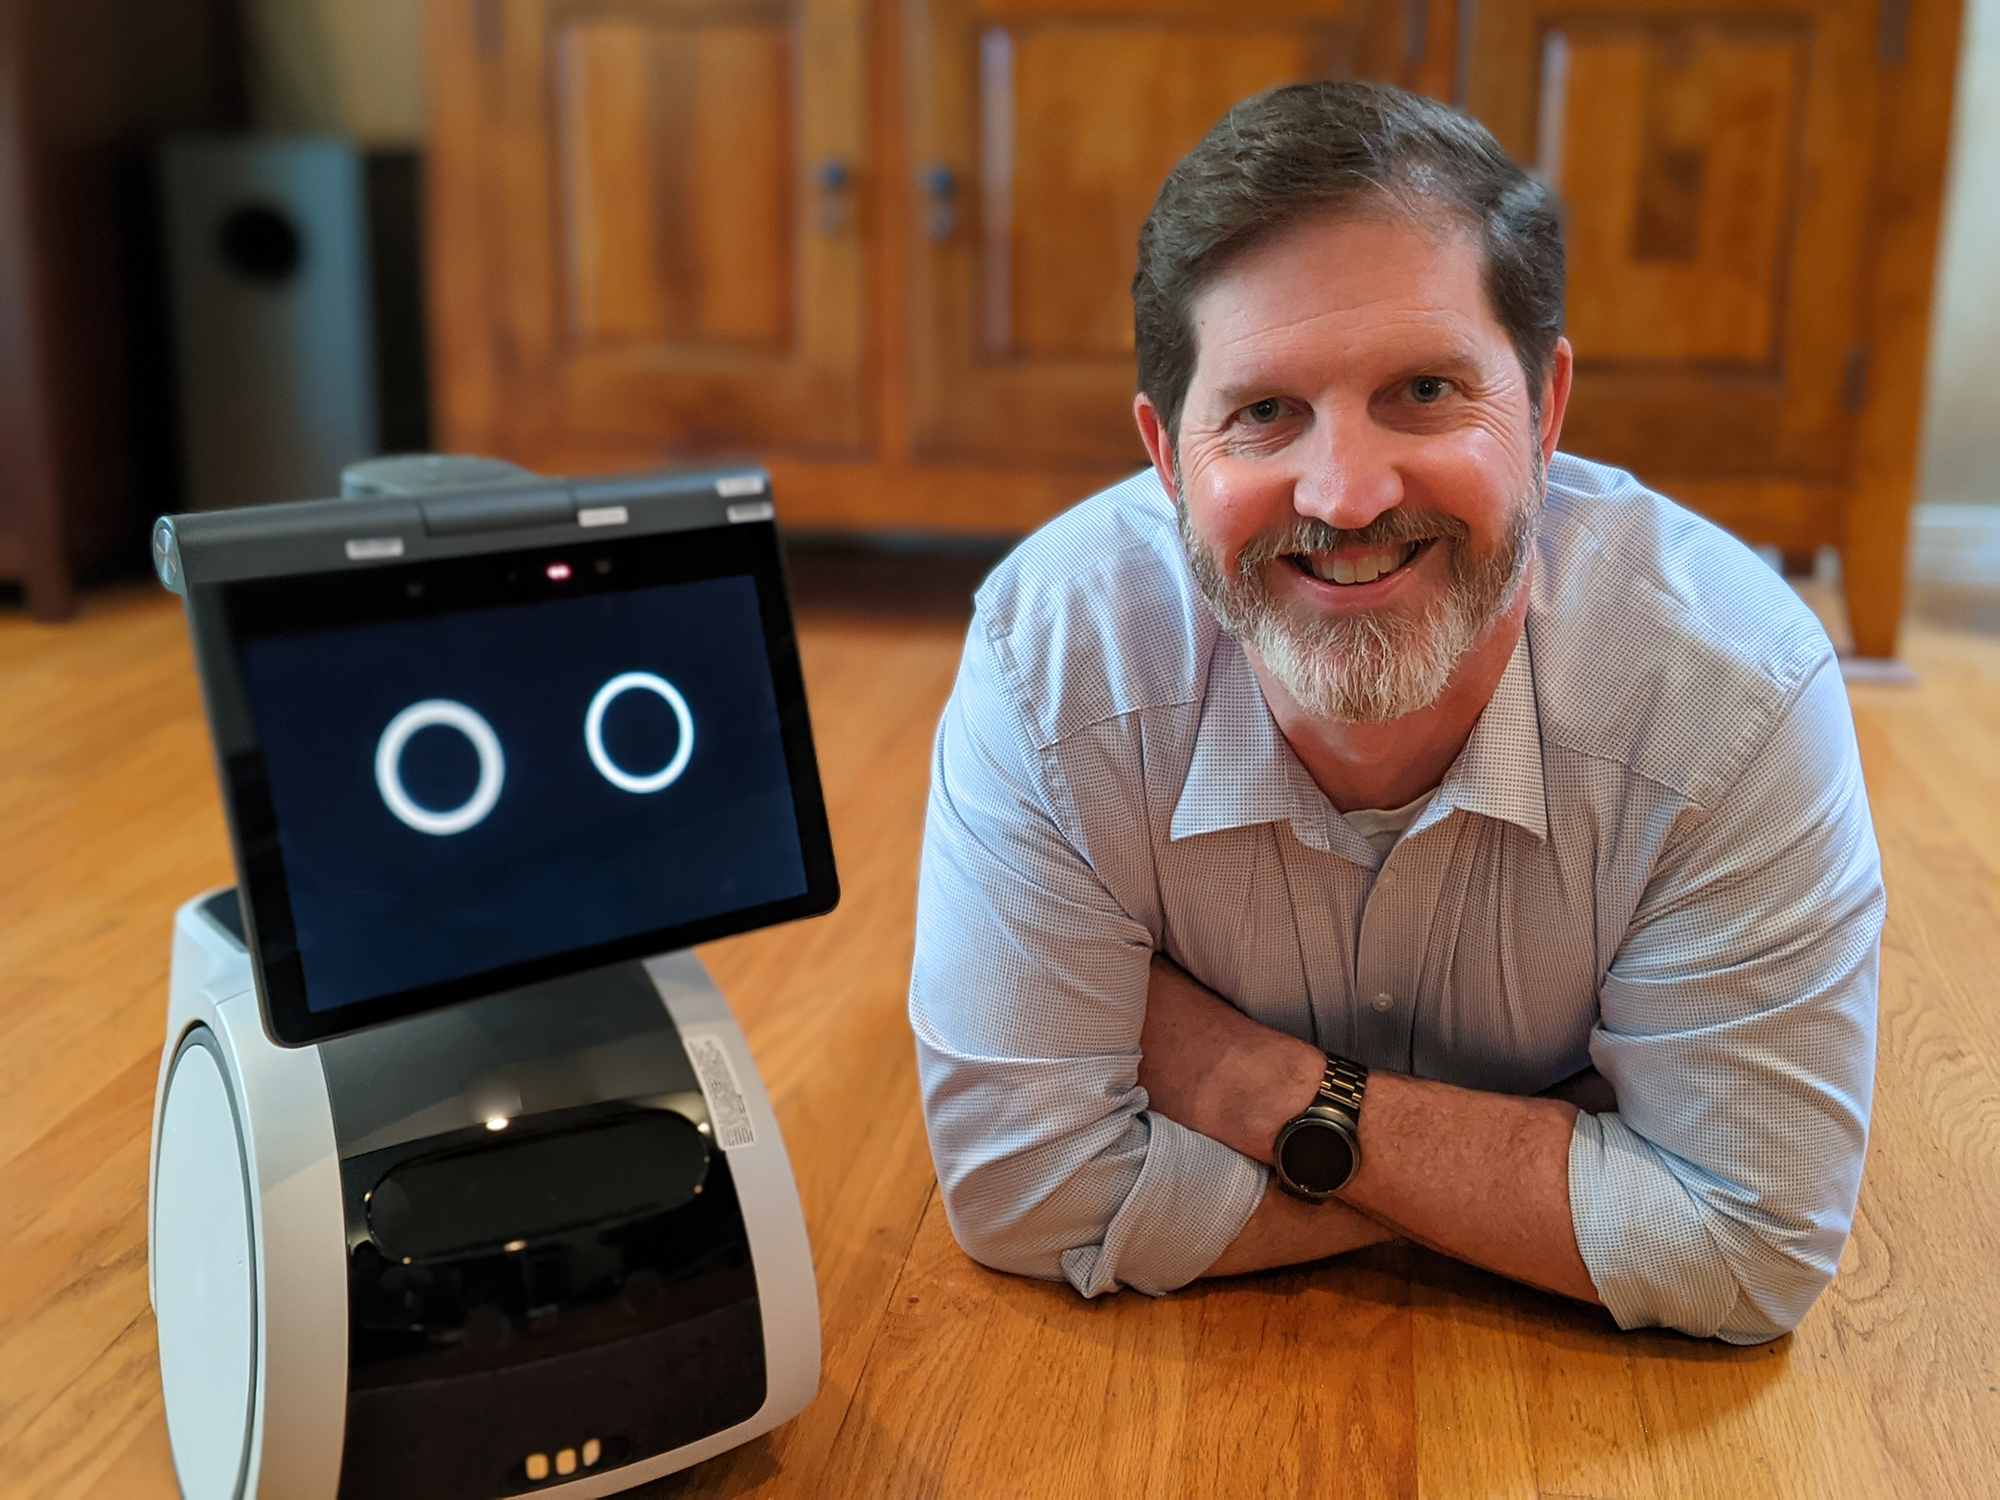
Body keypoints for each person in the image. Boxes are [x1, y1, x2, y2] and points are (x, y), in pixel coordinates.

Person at [907, 81, 1883, 1344]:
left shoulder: (1733, 699)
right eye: (1263, 412)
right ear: (1163, 456)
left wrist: (1234, 1075)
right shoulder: (1050, 670)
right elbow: (1026, 1195)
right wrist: (1574, 1165)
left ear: (1544, 413)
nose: (1349, 493)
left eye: (1424, 390)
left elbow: (1745, 1248)